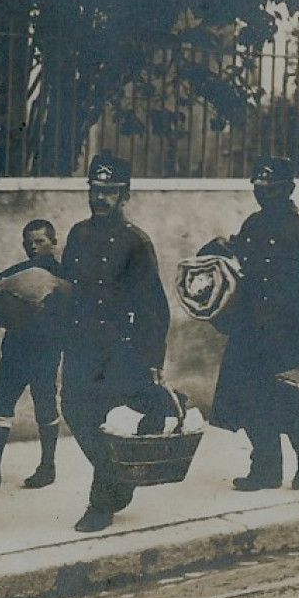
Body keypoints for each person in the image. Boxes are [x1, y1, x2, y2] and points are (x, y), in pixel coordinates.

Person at [208, 157, 299, 490]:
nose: (264, 193)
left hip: (291, 333)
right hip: (251, 329)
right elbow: (240, 258)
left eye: (272, 188)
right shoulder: (254, 224)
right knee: (251, 402)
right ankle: (265, 470)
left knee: (292, 402)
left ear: (288, 189)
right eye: (259, 187)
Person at [61, 154, 171, 533]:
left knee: (108, 422)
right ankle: (118, 477)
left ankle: (102, 502)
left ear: (125, 195)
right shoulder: (78, 234)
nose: (101, 198)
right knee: (74, 410)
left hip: (119, 348)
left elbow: (154, 305)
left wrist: (153, 357)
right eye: (96, 190)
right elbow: (66, 287)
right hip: (79, 343)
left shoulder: (135, 242)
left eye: (109, 191)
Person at [0, 219, 64, 490]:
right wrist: (5, 307)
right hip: (16, 348)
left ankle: (47, 466)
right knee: (1, 404)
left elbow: (74, 310)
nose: (34, 247)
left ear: (53, 242)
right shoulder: (22, 271)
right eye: (28, 243)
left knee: (44, 403)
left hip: (46, 350)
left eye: (40, 241)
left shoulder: (65, 277)